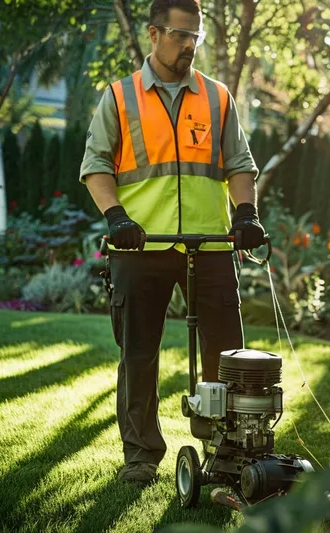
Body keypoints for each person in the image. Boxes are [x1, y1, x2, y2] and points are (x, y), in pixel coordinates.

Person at [79, 0, 264, 485]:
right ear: (154, 34)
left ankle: (229, 453)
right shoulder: (118, 97)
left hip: (211, 246)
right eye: (182, 36)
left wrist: (246, 213)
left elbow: (239, 164)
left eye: (196, 38)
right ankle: (141, 455)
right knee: (139, 354)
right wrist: (116, 216)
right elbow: (96, 166)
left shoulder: (218, 96)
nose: (189, 46)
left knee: (227, 355)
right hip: (140, 247)